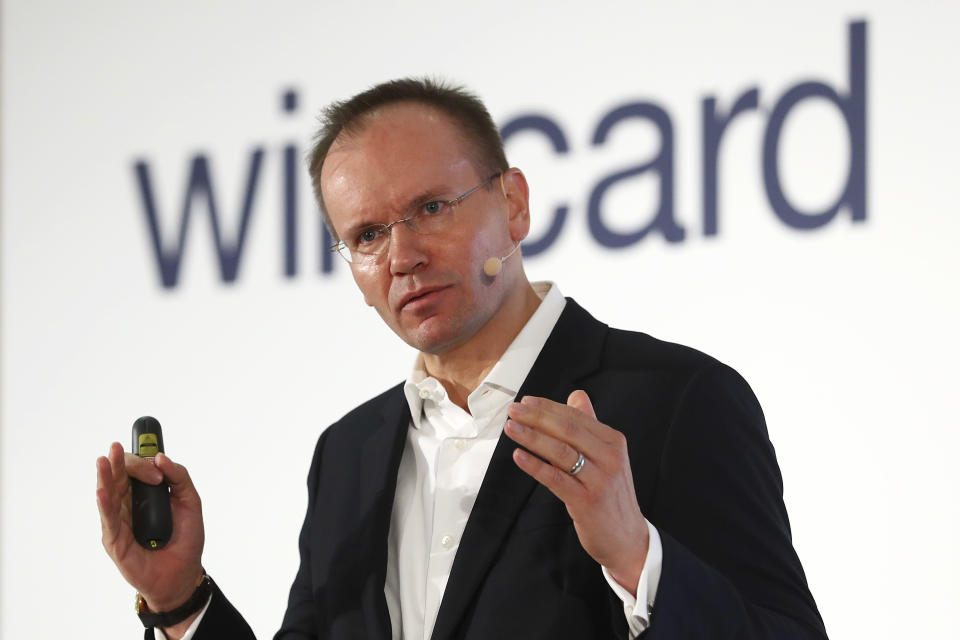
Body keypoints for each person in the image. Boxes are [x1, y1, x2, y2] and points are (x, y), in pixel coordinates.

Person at [97, 77, 828, 640]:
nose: (404, 256)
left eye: (432, 209)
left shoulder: (675, 400)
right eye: (367, 235)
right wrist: (180, 598)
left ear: (513, 204)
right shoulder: (346, 456)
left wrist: (640, 559)